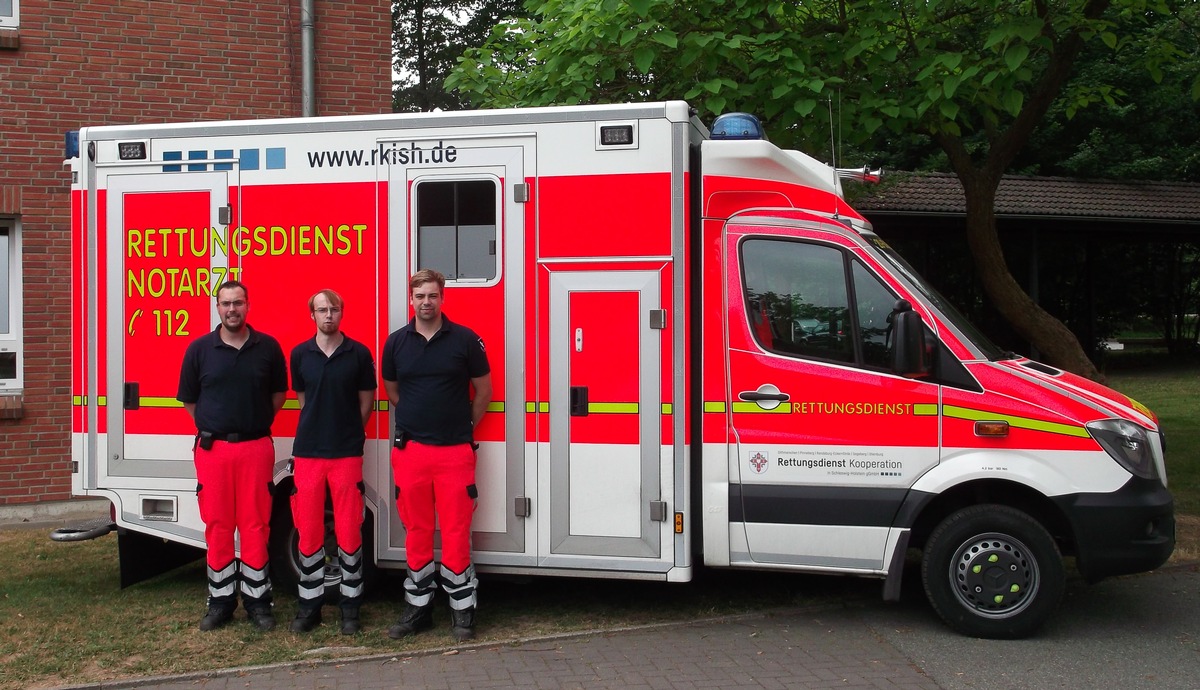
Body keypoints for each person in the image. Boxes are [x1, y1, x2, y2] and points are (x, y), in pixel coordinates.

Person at [382, 269, 491, 642]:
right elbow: (393, 390)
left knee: (458, 530)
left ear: (442, 297)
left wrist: (462, 426)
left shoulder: (465, 340)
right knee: (417, 530)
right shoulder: (396, 343)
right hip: (411, 451)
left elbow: (483, 392)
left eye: (432, 295)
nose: (425, 302)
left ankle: (463, 611)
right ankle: (418, 610)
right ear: (410, 300)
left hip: (455, 452)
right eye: (419, 296)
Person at [177, 280, 288, 632]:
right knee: (219, 525)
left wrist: (251, 424)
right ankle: (221, 601)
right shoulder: (199, 350)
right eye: (225, 303)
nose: (232, 310)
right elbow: (190, 400)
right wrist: (216, 426)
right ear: (217, 307)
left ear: (248, 305)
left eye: (238, 303)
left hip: (255, 446)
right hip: (214, 449)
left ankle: (258, 602)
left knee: (256, 525)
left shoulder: (268, 348)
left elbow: (278, 396)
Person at [287, 289, 376, 635]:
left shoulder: (358, 354)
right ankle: (309, 608)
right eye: (321, 310)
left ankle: (350, 608)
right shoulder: (300, 354)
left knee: (349, 530)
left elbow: (365, 401)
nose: (328, 315)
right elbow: (304, 399)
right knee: (308, 532)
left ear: (342, 313)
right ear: (312, 315)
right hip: (308, 452)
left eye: (333, 309)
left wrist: (351, 431)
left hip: (346, 453)